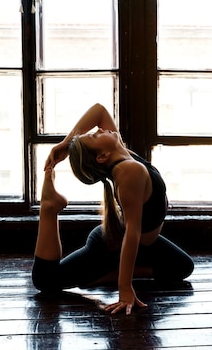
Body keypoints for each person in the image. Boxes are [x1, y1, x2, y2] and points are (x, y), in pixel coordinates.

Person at [32, 103, 194, 315]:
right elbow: (132, 233)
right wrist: (125, 288)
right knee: (46, 281)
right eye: (94, 137)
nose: (99, 129)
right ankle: (49, 208)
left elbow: (98, 111)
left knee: (182, 267)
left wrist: (65, 143)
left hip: (141, 243)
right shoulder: (128, 171)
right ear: (102, 156)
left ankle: (112, 272)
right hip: (111, 245)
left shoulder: (121, 152)